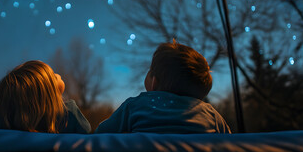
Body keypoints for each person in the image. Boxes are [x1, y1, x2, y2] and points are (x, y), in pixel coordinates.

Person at [95, 40, 231, 134]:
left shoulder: (135, 106)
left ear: (154, 82)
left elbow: (100, 134)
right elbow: (230, 144)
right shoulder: (211, 115)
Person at [0, 60, 91, 133]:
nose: (58, 75)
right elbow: (86, 130)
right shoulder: (69, 113)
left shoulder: (3, 117)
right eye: (54, 76)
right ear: (49, 92)